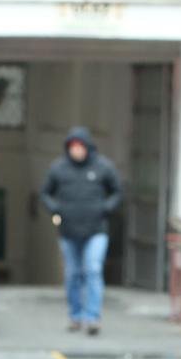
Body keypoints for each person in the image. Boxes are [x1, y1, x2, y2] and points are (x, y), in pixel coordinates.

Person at [42, 126, 122, 335]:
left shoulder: (103, 167)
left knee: (93, 270)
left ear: (87, 147)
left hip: (96, 229)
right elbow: (46, 193)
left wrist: (106, 209)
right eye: (72, 147)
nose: (76, 151)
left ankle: (92, 317)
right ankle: (75, 315)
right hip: (68, 231)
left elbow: (117, 191)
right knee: (73, 274)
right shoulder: (59, 168)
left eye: (80, 147)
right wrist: (56, 210)